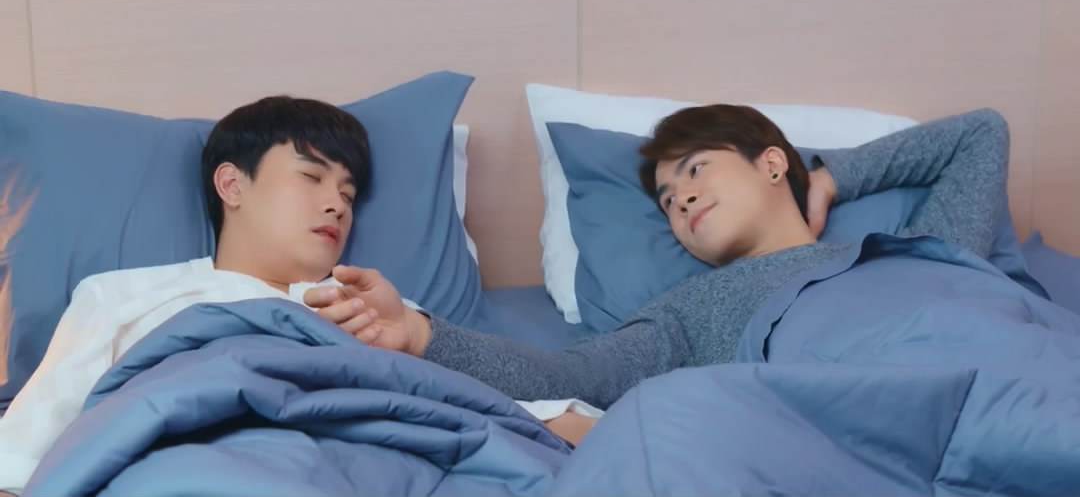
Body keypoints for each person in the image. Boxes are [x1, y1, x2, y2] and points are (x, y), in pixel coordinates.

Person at [0, 96, 595, 497]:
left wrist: (572, 423)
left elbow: (461, 406)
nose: (336, 204)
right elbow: (32, 438)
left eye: (349, 194)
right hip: (205, 455)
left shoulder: (371, 311)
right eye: (311, 177)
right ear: (232, 184)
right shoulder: (128, 294)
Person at [304, 103, 1031, 411]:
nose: (680, 198)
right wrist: (419, 334)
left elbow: (979, 134)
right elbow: (566, 378)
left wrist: (829, 177)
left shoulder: (924, 252)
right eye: (666, 200)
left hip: (990, 363)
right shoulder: (689, 311)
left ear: (771, 163)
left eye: (696, 169)